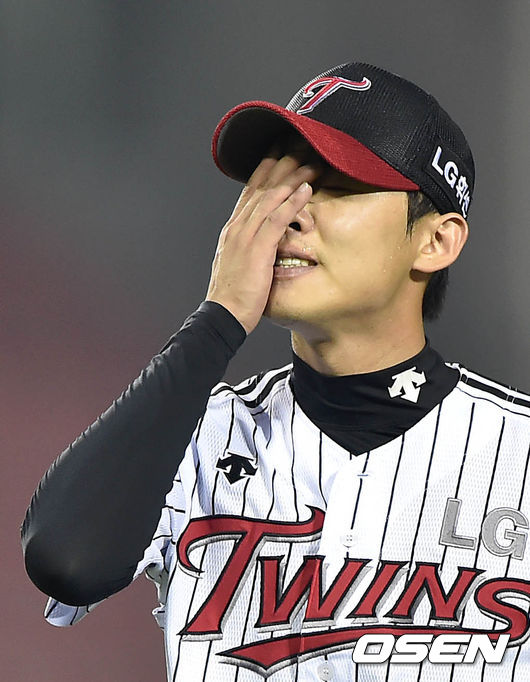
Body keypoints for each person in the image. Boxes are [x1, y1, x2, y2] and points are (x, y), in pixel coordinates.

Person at [22, 62, 530, 681]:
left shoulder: (520, 454)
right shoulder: (196, 439)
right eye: (278, 186)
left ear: (436, 241)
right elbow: (67, 561)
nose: (289, 214)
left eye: (336, 185)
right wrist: (217, 320)